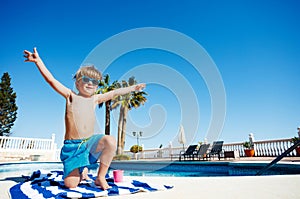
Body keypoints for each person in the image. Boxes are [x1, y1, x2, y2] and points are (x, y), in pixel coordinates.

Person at [23, 47, 146, 190]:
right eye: (86, 79)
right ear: (77, 83)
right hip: (72, 147)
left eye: (95, 82)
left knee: (110, 140)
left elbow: (114, 93)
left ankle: (100, 177)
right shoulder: (70, 96)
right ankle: (80, 168)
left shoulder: (95, 99)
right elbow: (51, 80)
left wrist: (132, 88)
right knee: (70, 185)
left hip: (89, 144)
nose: (90, 83)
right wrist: (38, 61)